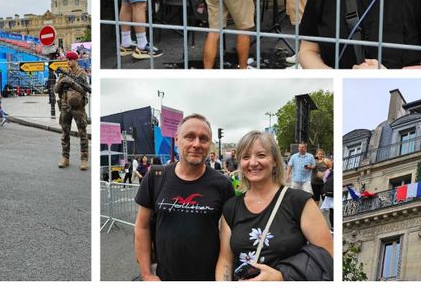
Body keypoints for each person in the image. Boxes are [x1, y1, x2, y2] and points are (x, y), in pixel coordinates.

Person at [216, 131, 333, 280]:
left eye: (261, 155)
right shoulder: (231, 207)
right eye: (246, 157)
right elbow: (225, 261)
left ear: (275, 161)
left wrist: (282, 278)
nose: (253, 162)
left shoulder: (299, 202)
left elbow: (328, 256)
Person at [134, 114, 235, 280]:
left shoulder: (223, 184)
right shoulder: (156, 176)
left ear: (210, 144)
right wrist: (146, 274)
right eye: (189, 137)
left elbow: (227, 243)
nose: (196, 144)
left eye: (203, 139)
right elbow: (141, 226)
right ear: (177, 139)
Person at [55, 51, 90, 170]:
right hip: (65, 107)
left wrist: (72, 83)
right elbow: (55, 89)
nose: (68, 62)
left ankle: (84, 159)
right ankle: (65, 158)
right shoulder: (63, 74)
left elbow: (84, 90)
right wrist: (62, 81)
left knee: (83, 134)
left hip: (78, 108)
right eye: (67, 60)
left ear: (76, 60)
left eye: (71, 60)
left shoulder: (82, 74)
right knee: (65, 134)